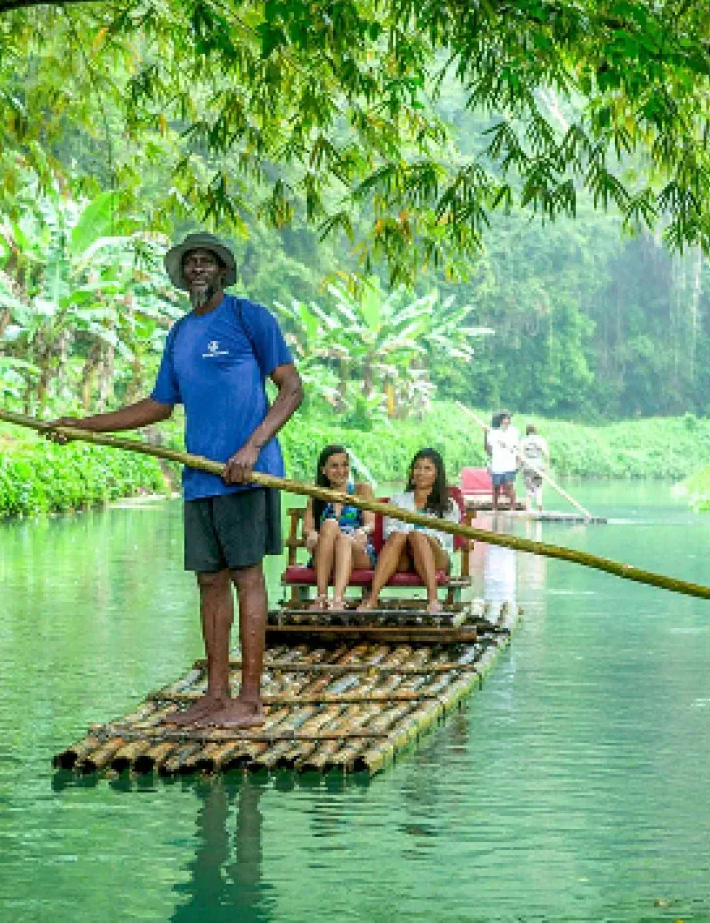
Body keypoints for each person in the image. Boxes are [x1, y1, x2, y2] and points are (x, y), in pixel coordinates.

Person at [46, 232, 303, 729]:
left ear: (222, 271)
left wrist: (252, 447)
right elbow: (158, 405)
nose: (198, 270)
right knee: (209, 581)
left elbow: (291, 389)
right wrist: (84, 426)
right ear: (183, 275)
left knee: (246, 577)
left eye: (207, 262)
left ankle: (249, 703)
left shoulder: (250, 318)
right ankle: (215, 695)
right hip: (201, 476)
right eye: (191, 264)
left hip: (247, 474)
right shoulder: (180, 334)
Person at [360, 448, 462, 613]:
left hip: (437, 557)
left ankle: (433, 600)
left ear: (437, 474)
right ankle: (372, 599)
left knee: (417, 536)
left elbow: (443, 539)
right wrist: (410, 536)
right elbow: (389, 532)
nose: (420, 472)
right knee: (399, 536)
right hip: (404, 557)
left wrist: (417, 536)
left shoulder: (448, 505)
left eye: (427, 468)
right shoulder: (398, 500)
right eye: (417, 467)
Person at [302, 445, 376, 611]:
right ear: (324, 470)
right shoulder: (317, 496)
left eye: (344, 465)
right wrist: (312, 534)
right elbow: (307, 528)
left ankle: (337, 599)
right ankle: (322, 596)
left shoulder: (361, 490)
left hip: (356, 550)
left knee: (344, 539)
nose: (341, 470)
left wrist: (362, 531)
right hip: (325, 552)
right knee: (330, 524)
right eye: (334, 466)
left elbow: (371, 523)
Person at [485, 410, 520, 511]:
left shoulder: (514, 432)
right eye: (505, 419)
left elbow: (515, 446)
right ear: (500, 420)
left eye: (508, 419)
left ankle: (512, 508)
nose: (507, 421)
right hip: (497, 464)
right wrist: (485, 434)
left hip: (509, 464)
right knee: (496, 487)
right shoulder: (493, 432)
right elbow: (488, 450)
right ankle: (494, 508)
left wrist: (507, 445)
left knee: (509, 485)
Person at [520, 423, 551, 511]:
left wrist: (520, 466)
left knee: (528, 487)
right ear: (535, 430)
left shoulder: (524, 440)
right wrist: (547, 467)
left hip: (528, 466)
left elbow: (520, 454)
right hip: (539, 465)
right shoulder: (541, 440)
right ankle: (539, 504)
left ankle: (529, 508)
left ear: (527, 431)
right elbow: (546, 454)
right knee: (538, 486)